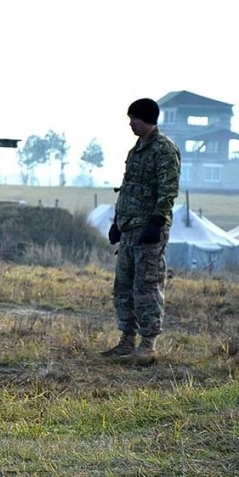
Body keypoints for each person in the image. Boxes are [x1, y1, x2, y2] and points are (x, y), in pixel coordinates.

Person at [102, 98, 180, 360]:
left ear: (146, 118)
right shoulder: (136, 150)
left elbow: (168, 190)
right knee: (123, 285)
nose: (130, 123)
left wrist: (156, 223)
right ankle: (127, 340)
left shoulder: (164, 150)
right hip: (129, 227)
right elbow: (128, 187)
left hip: (148, 229)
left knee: (146, 285)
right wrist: (117, 222)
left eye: (133, 118)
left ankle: (148, 346)